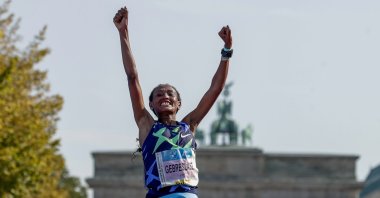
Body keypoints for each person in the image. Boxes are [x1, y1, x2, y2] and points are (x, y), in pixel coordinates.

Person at [113, 6, 233, 198]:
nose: (165, 96)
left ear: (179, 103)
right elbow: (132, 77)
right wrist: (123, 32)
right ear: (151, 105)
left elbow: (215, 89)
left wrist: (226, 51)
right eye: (159, 95)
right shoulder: (146, 125)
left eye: (170, 94)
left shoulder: (189, 125)